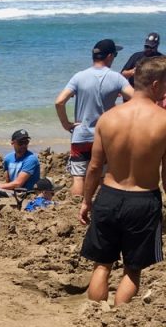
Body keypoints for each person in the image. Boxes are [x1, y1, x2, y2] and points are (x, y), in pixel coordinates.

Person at [79, 56, 166, 305]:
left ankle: (94, 313)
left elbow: (94, 167)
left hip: (109, 196)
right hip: (143, 200)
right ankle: (120, 316)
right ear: (157, 85)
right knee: (132, 268)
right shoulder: (164, 121)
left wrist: (87, 201)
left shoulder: (108, 118)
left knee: (102, 264)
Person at [55, 38, 133, 198]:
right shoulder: (116, 78)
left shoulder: (79, 76)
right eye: (116, 55)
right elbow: (136, 99)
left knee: (79, 178)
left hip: (80, 136)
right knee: (104, 177)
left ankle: (75, 212)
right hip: (104, 138)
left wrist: (66, 124)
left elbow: (59, 102)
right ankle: (102, 209)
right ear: (110, 56)